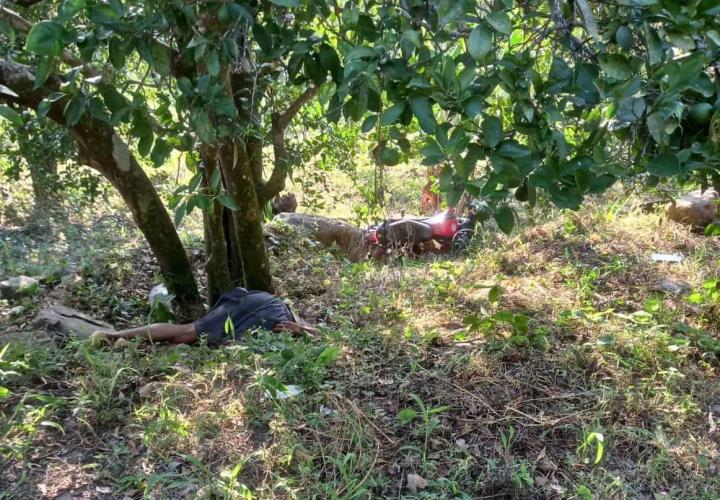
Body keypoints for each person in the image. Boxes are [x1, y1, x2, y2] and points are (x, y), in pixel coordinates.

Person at [90, 287, 318, 346]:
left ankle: (122, 339)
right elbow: (320, 335)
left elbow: (318, 334)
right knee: (188, 333)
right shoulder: (287, 319)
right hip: (267, 312)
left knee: (190, 336)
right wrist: (301, 331)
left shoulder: (290, 319)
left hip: (263, 306)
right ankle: (113, 335)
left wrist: (299, 330)